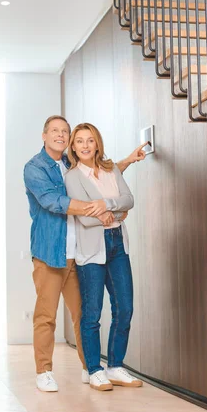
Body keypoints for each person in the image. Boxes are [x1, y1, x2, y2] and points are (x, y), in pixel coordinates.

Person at [24, 115, 146, 392]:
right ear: (44, 135)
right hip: (50, 252)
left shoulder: (71, 162)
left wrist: (124, 163)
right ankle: (44, 370)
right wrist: (104, 211)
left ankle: (89, 367)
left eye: (64, 131)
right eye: (54, 131)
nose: (60, 135)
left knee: (83, 313)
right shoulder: (35, 168)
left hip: (78, 251)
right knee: (47, 315)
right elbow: (53, 201)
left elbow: (100, 178)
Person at [65, 122, 142, 392]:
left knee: (124, 308)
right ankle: (95, 369)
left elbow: (128, 200)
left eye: (90, 140)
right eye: (80, 141)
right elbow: (83, 216)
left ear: (97, 143)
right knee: (92, 313)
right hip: (91, 249)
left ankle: (116, 366)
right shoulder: (73, 176)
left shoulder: (111, 169)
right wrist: (113, 213)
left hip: (118, 243)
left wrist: (109, 207)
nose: (85, 145)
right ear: (73, 147)